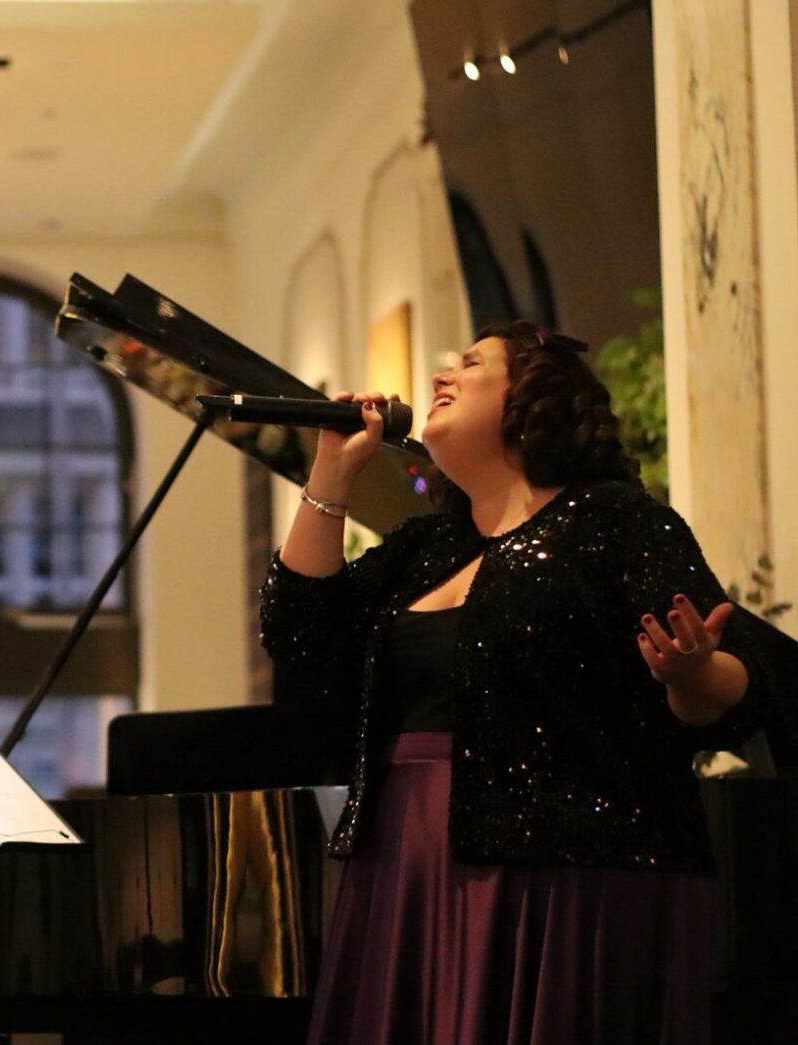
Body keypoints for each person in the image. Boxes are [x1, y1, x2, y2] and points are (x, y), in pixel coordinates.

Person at [259, 320, 770, 1045]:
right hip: (407, 861)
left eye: (468, 363)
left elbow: (734, 688)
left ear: (529, 399)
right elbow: (298, 632)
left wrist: (690, 672)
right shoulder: (428, 547)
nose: (441, 375)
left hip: (563, 872)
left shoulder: (615, 520)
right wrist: (331, 476)